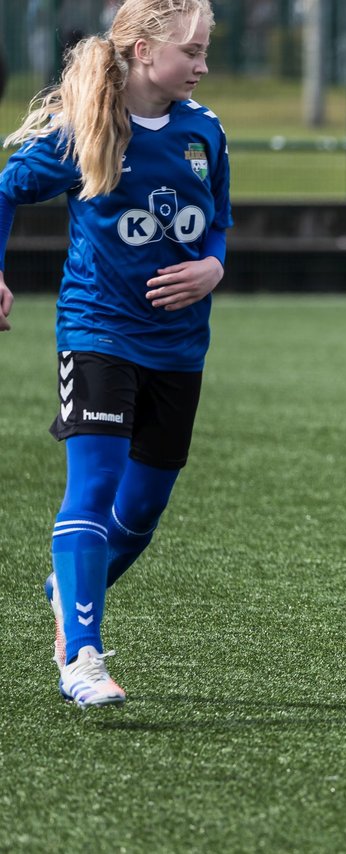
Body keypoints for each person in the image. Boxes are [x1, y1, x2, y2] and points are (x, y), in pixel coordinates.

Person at [0, 0, 230, 707]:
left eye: (205, 49)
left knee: (142, 515)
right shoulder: (91, 130)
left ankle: (66, 588)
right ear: (139, 49)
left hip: (180, 347)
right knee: (93, 491)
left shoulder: (206, 132)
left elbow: (217, 222)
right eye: (191, 50)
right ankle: (81, 654)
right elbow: (7, 187)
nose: (202, 63)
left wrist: (214, 268)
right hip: (97, 332)